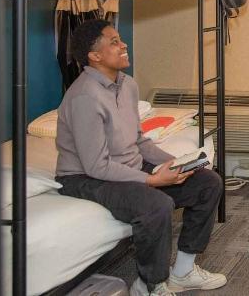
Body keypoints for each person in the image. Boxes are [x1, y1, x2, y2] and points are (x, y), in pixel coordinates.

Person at [54, 19, 227, 296]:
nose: (124, 45)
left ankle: (182, 272)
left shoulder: (128, 85)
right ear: (94, 56)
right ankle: (150, 285)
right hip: (85, 178)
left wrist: (174, 163)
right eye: (114, 42)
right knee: (157, 205)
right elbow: (96, 166)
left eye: (120, 39)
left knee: (208, 182)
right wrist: (151, 180)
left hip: (124, 167)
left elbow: (138, 140)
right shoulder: (84, 97)